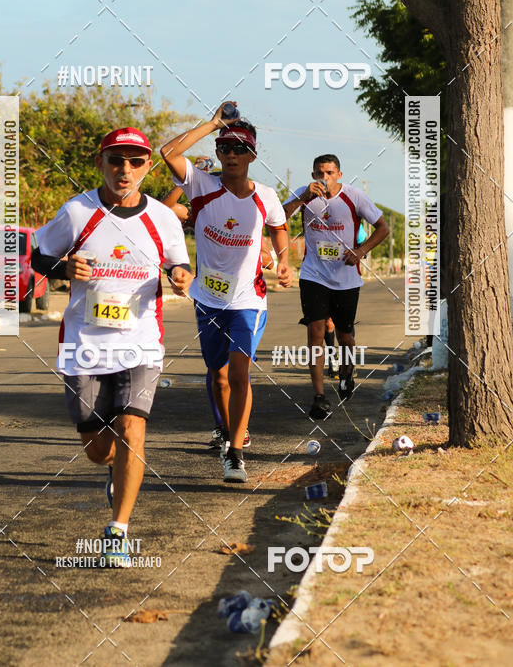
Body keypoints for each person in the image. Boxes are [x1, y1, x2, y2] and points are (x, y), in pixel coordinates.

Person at [31, 127, 192, 565]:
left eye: (136, 161)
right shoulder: (78, 211)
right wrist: (64, 268)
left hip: (141, 344)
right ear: (100, 162)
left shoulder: (162, 217)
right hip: (83, 343)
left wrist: (180, 277)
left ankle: (118, 529)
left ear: (147, 167)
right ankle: (112, 474)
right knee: (97, 449)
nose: (125, 170)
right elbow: (38, 256)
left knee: (132, 430)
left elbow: (180, 263)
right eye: (116, 160)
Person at [160, 102, 292, 483]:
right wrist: (215, 123)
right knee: (217, 375)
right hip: (208, 297)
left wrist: (284, 260)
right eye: (226, 147)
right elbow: (169, 152)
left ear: (253, 154)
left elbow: (279, 227)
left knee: (239, 373)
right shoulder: (201, 185)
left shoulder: (265, 195)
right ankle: (225, 428)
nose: (232, 155)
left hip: (249, 299)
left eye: (240, 148)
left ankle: (235, 454)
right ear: (218, 152)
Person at [283, 154, 389, 420]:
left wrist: (361, 250)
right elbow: (278, 220)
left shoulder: (354, 197)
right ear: (313, 175)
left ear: (339, 174)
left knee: (345, 337)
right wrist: (303, 198)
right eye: (319, 173)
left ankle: (346, 374)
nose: (324, 178)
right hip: (313, 275)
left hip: (346, 278)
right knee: (315, 333)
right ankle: (319, 396)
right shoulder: (304, 194)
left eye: (329, 173)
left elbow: (382, 228)